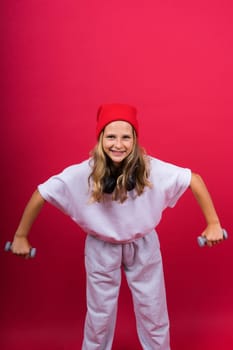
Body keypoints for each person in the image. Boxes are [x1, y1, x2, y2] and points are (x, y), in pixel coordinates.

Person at [10, 103, 224, 350]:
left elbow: (192, 179)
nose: (118, 144)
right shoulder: (84, 173)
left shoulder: (150, 168)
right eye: (111, 136)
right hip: (101, 248)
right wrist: (21, 235)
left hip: (143, 245)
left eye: (126, 137)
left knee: (153, 310)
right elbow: (42, 193)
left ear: (135, 139)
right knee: (99, 316)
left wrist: (213, 223)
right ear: (101, 138)